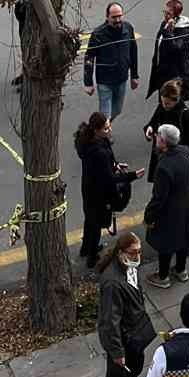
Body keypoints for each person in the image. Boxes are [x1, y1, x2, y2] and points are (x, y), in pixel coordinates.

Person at [96, 231, 157, 377]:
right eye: (133, 252)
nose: (137, 256)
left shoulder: (129, 267)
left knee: (136, 365)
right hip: (123, 337)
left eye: (139, 251)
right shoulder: (112, 283)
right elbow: (109, 321)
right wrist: (116, 351)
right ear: (121, 252)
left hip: (133, 332)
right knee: (116, 375)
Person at [74, 111, 144, 269]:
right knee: (97, 224)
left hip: (89, 188)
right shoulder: (99, 152)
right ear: (96, 130)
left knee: (90, 221)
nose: (109, 130)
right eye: (106, 128)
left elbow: (104, 166)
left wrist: (114, 165)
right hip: (99, 194)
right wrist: (132, 176)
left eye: (109, 126)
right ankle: (92, 256)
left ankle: (86, 248)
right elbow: (109, 178)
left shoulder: (89, 143)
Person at [144, 123, 189, 288]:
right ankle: (181, 270)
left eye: (158, 136)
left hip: (169, 211)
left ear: (163, 142)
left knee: (165, 243)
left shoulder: (164, 167)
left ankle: (163, 276)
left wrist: (149, 216)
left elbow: (159, 198)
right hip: (185, 205)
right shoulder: (186, 152)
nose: (156, 138)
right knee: (183, 237)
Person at [83, 2, 139, 120]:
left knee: (117, 110)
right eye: (114, 17)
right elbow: (89, 57)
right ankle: (102, 130)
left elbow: (133, 51)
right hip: (105, 81)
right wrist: (88, 83)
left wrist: (134, 75)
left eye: (120, 16)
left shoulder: (128, 28)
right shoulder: (98, 34)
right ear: (107, 17)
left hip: (122, 79)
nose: (117, 20)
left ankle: (100, 127)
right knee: (105, 115)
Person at [144, 79, 189, 181]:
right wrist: (150, 128)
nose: (164, 106)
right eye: (162, 102)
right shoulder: (162, 107)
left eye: (167, 103)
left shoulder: (185, 115)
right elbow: (154, 121)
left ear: (176, 100)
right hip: (162, 155)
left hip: (177, 159)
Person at [147, 0, 189, 99]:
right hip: (163, 70)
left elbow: (176, 49)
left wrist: (168, 32)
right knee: (163, 99)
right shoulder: (165, 23)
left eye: (168, 13)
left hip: (175, 74)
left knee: (171, 101)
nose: (165, 15)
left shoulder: (183, 31)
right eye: (165, 12)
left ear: (175, 17)